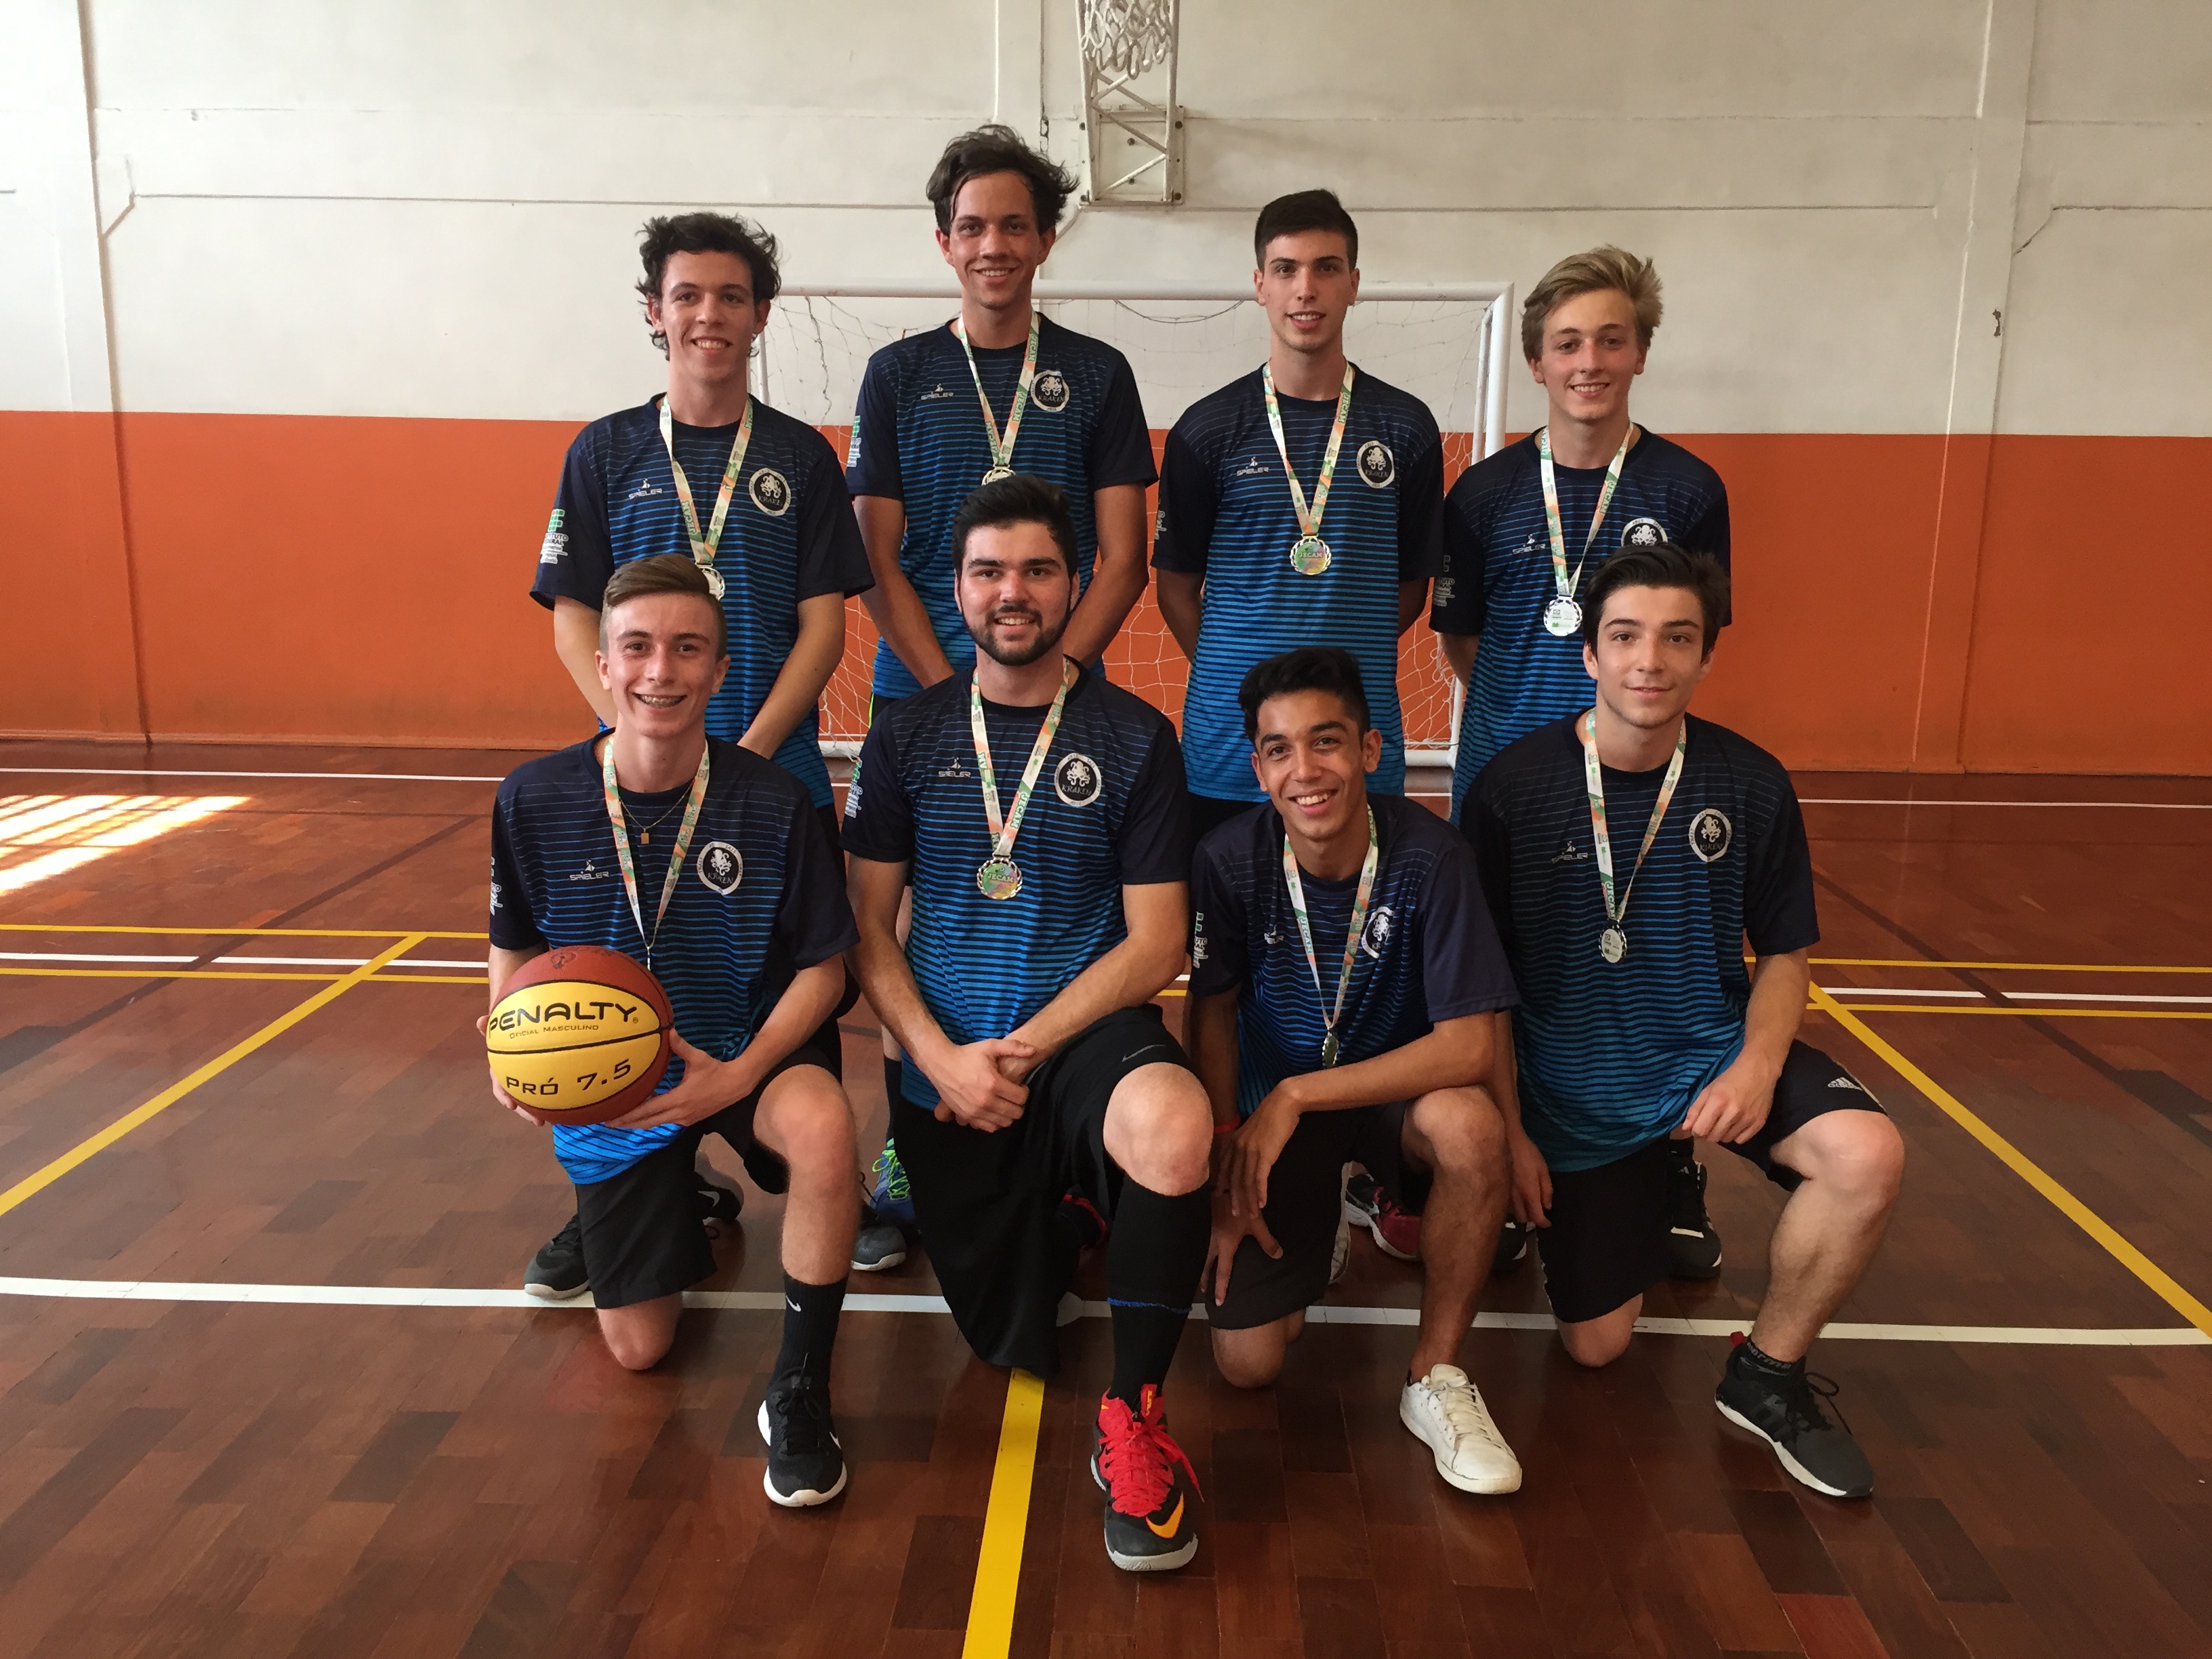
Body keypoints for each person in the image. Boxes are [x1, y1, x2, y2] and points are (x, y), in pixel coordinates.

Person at [1462, 544, 1904, 1500]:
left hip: (1709, 1049)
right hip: (1572, 1086)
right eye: (1625, 637)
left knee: (1867, 1156)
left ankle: (1768, 1374)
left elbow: (1784, 954)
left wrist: (1756, 1066)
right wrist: (1511, 1133)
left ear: (1707, 656)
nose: (1649, 661)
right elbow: (1480, 991)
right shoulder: (1511, 790)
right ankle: (1660, 1171)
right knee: (1596, 1346)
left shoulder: (1750, 782)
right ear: (1590, 653)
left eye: (1677, 638)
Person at [843, 474, 1213, 1574]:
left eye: (1038, 570)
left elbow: (1157, 943)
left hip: (1079, 1043)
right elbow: (866, 928)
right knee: (1009, 1335)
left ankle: (1134, 1416)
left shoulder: (1135, 737)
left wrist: (1028, 1048)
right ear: (956, 588)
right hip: (948, 1063)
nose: (1013, 591)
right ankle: (1071, 1207)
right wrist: (938, 1057)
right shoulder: (906, 735)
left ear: (1075, 583)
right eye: (989, 571)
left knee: (1175, 1127)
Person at [525, 211, 901, 1284]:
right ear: (655, 311)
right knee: (630, 978)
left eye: (730, 296)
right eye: (687, 295)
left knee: (803, 986)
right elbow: (571, 615)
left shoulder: (799, 456)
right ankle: (632, 1183)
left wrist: (744, 753)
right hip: (641, 786)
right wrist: (637, 732)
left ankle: (825, 1175)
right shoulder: (603, 451)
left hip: (775, 779)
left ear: (760, 314)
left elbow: (824, 627)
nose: (708, 315)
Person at [485, 554, 862, 1508]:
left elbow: (826, 973)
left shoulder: (776, 801)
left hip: (743, 1046)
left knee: (825, 1129)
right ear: (603, 665)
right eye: (639, 647)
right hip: (615, 1075)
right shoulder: (533, 798)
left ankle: (800, 1387)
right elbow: (513, 943)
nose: (662, 671)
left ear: (720, 669)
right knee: (638, 1348)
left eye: (688, 649)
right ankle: (678, 1184)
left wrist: (737, 1076)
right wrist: (509, 1052)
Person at [846, 124, 1159, 1225]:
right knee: (907, 922)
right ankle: (909, 1139)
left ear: (1045, 238)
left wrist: (1048, 672)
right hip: (921, 691)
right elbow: (875, 559)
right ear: (944, 242)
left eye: (1014, 225)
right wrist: (955, 686)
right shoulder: (897, 375)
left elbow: (1122, 556)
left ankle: (1060, 1124)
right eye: (972, 226)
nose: (993, 244)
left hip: (1057, 694)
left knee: (1057, 915)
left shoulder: (1097, 373)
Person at [1431, 245, 1733, 1278]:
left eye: (1610, 339)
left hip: (1639, 776)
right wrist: (1531, 724)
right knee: (1503, 971)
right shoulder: (1483, 493)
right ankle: (1510, 1162)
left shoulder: (1688, 488)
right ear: (1537, 362)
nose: (1589, 362)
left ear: (1641, 351)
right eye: (1567, 344)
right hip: (1506, 774)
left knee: (1651, 967)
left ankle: (1668, 1165)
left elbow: (1694, 633)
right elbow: (1463, 638)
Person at [1186, 647, 1523, 1496]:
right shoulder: (1228, 860)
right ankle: (1321, 1214)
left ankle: (1434, 1374)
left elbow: (1470, 1047)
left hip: (1388, 1096)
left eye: (1327, 741)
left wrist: (1299, 1094)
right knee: (1249, 1364)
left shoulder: (1434, 856)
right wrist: (1225, 1157)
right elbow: (1211, 1013)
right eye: (1279, 750)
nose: (1305, 771)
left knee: (1471, 1128)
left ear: (1371, 749)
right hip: (1273, 1115)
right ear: (1258, 768)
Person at [1153, 188, 1445, 841]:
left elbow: (1408, 590)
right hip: (1229, 751)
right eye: (1286, 269)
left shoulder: (1406, 428)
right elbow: (1175, 589)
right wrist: (1244, 677)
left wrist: (1336, 659)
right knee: (1223, 905)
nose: (1305, 289)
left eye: (1326, 268)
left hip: (1355, 748)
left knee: (1354, 903)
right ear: (1260, 284)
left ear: (1353, 284)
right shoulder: (1207, 430)